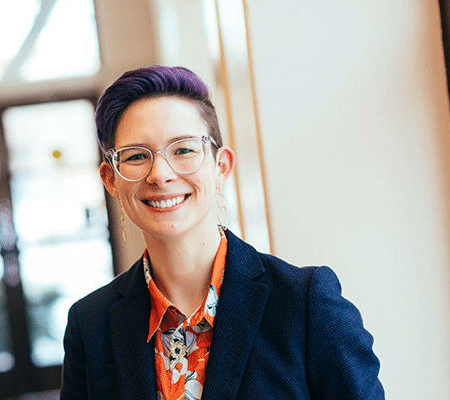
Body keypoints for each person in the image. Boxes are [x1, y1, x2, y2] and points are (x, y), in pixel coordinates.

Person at [60, 65, 385, 400]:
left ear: (221, 166)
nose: (159, 174)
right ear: (111, 179)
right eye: (136, 156)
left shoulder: (305, 304)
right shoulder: (90, 325)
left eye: (183, 149)